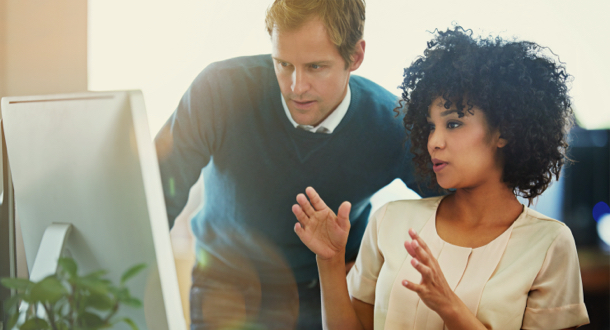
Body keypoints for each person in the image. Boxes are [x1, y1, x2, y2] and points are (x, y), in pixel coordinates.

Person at [154, 1, 429, 329]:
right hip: (225, 286)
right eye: (283, 63)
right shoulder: (219, 90)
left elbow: (462, 203)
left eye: (315, 67)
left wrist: (382, 265)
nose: (296, 86)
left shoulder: (392, 124)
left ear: (355, 56)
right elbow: (154, 197)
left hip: (325, 291)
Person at [293, 27, 590, 330]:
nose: (434, 140)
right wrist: (330, 262)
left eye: (453, 123)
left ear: (505, 131)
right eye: (430, 126)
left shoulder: (549, 243)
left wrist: (449, 306)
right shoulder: (391, 221)